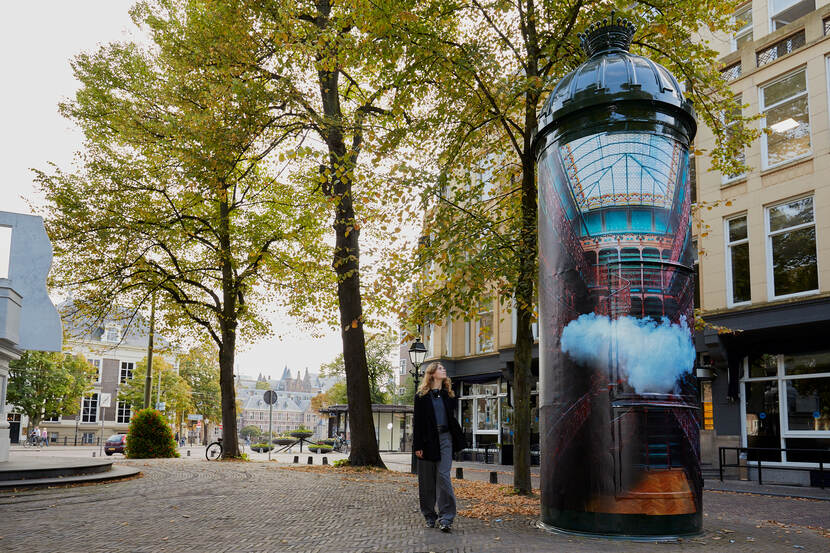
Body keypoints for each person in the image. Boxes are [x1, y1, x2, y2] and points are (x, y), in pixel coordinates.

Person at [413, 362, 465, 533]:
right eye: (441, 368)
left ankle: (447, 517)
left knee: (443, 476)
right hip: (427, 441)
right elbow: (418, 422)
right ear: (432, 373)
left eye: (444, 368)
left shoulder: (448, 395)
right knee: (427, 480)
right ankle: (429, 515)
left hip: (445, 439)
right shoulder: (421, 396)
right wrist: (418, 445)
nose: (444, 370)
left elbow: (451, 419)